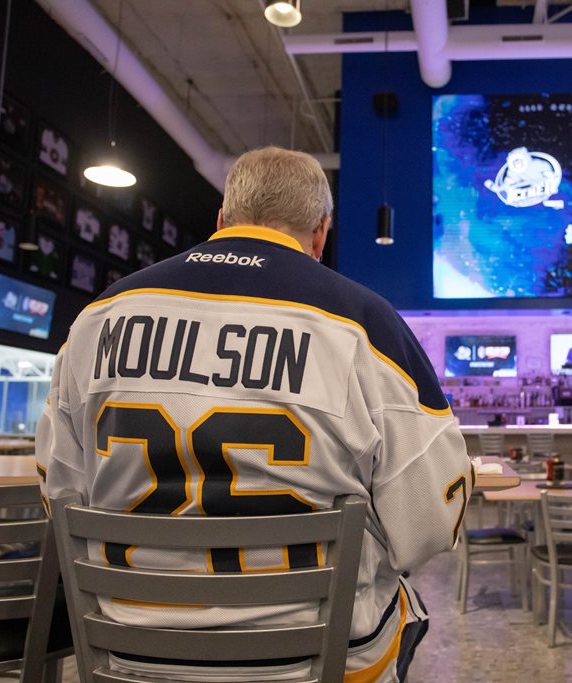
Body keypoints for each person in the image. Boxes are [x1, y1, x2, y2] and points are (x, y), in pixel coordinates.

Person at [36, 147, 472, 682]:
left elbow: (60, 496)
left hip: (130, 650)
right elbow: (431, 519)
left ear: (221, 219)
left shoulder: (97, 317)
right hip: (315, 659)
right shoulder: (365, 323)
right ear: (321, 233)